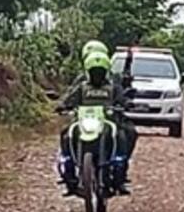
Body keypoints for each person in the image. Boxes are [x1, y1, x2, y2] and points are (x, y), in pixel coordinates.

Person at [57, 50, 132, 195]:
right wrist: (63, 105)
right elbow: (69, 99)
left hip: (108, 123)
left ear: (106, 72)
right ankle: (69, 175)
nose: (97, 75)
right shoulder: (82, 87)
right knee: (66, 135)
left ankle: (120, 175)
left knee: (124, 135)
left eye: (100, 72)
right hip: (84, 122)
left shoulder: (113, 87)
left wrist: (126, 104)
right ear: (88, 72)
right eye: (94, 72)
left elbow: (122, 100)